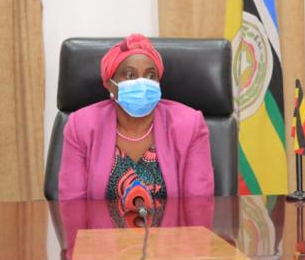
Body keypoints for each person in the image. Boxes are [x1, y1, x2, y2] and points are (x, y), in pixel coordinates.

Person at [58, 33, 214, 212]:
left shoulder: (190, 125)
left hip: (171, 231)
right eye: (130, 75)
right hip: (101, 231)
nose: (142, 83)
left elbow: (198, 206)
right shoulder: (81, 126)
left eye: (150, 75)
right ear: (110, 84)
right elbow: (72, 207)